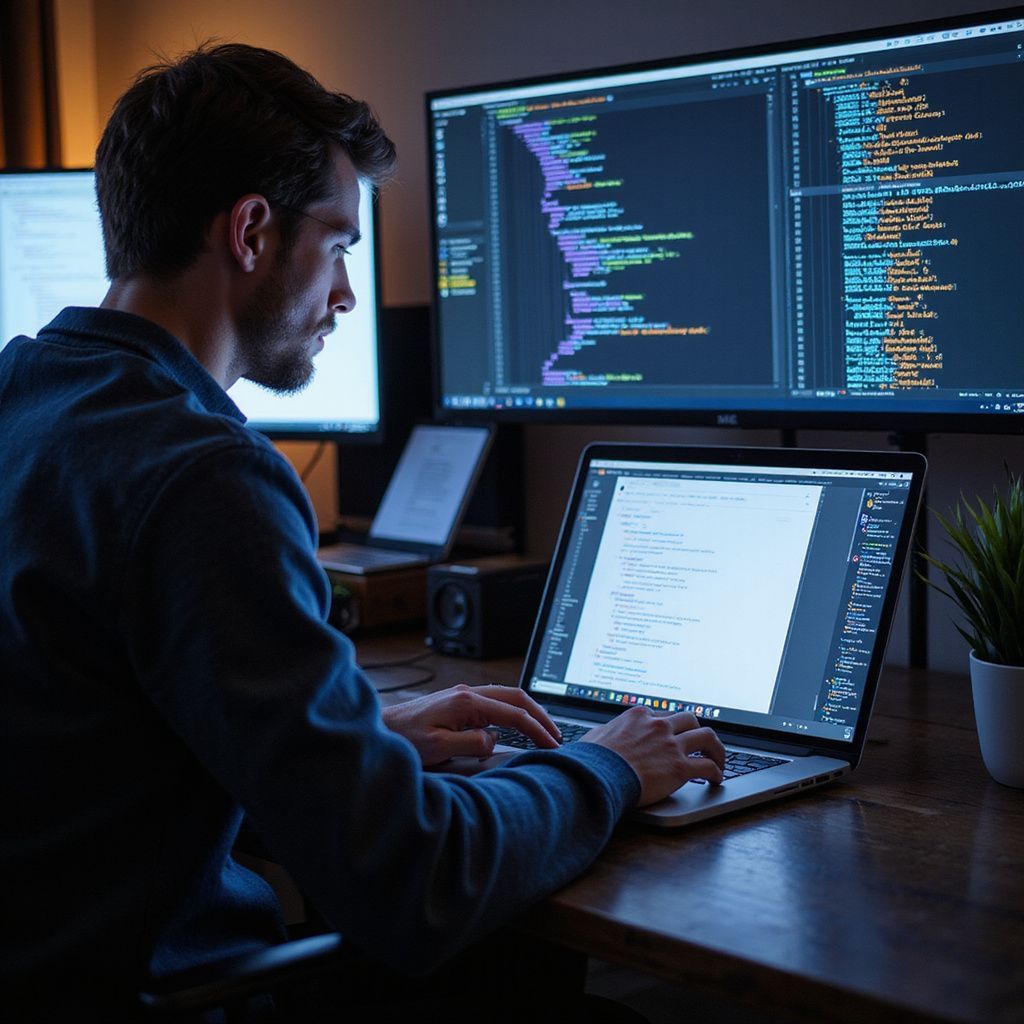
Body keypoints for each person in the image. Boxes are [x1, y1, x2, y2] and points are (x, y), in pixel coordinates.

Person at [0, 43, 725, 1020]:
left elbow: (89, 745)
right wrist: (606, 765)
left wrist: (361, 740)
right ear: (252, 231)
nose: (345, 295)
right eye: (339, 243)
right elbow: (416, 881)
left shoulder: (24, 393)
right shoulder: (205, 476)